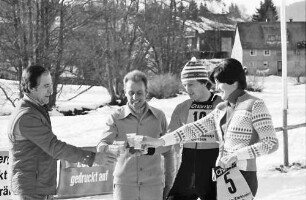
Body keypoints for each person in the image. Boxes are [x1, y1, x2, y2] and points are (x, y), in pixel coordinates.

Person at [142, 58, 279, 198]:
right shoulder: (222, 108)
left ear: (232, 81)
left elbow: (271, 143)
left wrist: (236, 155)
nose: (216, 87)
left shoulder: (254, 104)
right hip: (223, 175)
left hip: (242, 176)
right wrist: (159, 141)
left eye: (219, 82)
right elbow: (193, 129)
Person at [7, 65, 117, 200]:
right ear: (31, 88)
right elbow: (54, 147)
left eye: (51, 85)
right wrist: (92, 158)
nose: (51, 91)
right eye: (46, 86)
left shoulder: (35, 109)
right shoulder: (27, 116)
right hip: (30, 190)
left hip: (38, 188)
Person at [96, 70, 175, 200]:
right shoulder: (115, 117)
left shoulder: (159, 116)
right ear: (125, 92)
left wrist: (169, 184)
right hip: (124, 186)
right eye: (131, 93)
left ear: (146, 92)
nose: (135, 97)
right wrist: (113, 148)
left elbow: (169, 150)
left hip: (154, 186)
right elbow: (101, 145)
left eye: (139, 93)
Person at [166, 60, 222, 200]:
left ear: (204, 82)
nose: (187, 89)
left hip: (213, 167)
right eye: (184, 84)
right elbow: (169, 139)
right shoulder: (182, 108)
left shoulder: (221, 105)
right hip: (187, 168)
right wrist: (150, 148)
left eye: (191, 84)